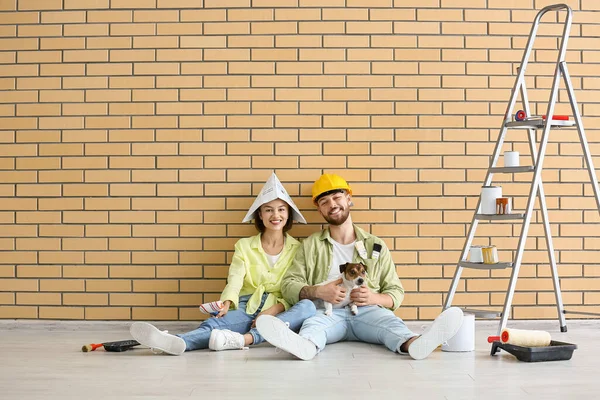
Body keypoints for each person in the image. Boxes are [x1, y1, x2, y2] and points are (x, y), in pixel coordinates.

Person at [256, 173, 464, 361]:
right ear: (319, 209)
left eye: (337, 197)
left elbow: (395, 291)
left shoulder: (375, 244)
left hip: (367, 312)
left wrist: (374, 298)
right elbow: (289, 284)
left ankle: (415, 344)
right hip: (327, 313)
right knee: (312, 328)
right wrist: (318, 291)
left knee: (392, 324)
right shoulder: (311, 245)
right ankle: (305, 347)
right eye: (324, 201)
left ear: (348, 198)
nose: (332, 204)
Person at [130, 173, 316, 355]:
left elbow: (294, 286)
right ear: (260, 214)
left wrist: (272, 311)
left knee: (308, 306)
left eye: (281, 209)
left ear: (288, 213)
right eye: (268, 209)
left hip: (280, 311)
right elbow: (234, 279)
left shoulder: (298, 249)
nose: (275, 215)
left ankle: (248, 338)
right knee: (214, 326)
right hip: (246, 305)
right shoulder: (244, 246)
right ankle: (175, 342)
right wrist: (226, 304)